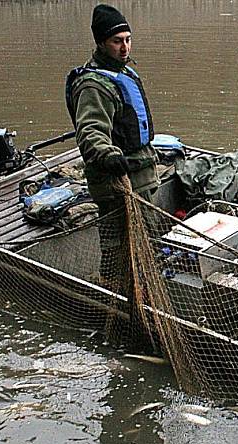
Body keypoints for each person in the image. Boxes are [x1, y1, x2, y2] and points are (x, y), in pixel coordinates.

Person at [65, 4, 158, 342]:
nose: (125, 47)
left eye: (128, 39)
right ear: (102, 43)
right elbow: (90, 132)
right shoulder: (93, 85)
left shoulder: (125, 74)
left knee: (148, 241)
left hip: (142, 179)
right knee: (118, 250)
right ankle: (118, 308)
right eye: (117, 41)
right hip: (117, 184)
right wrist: (108, 156)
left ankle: (144, 295)